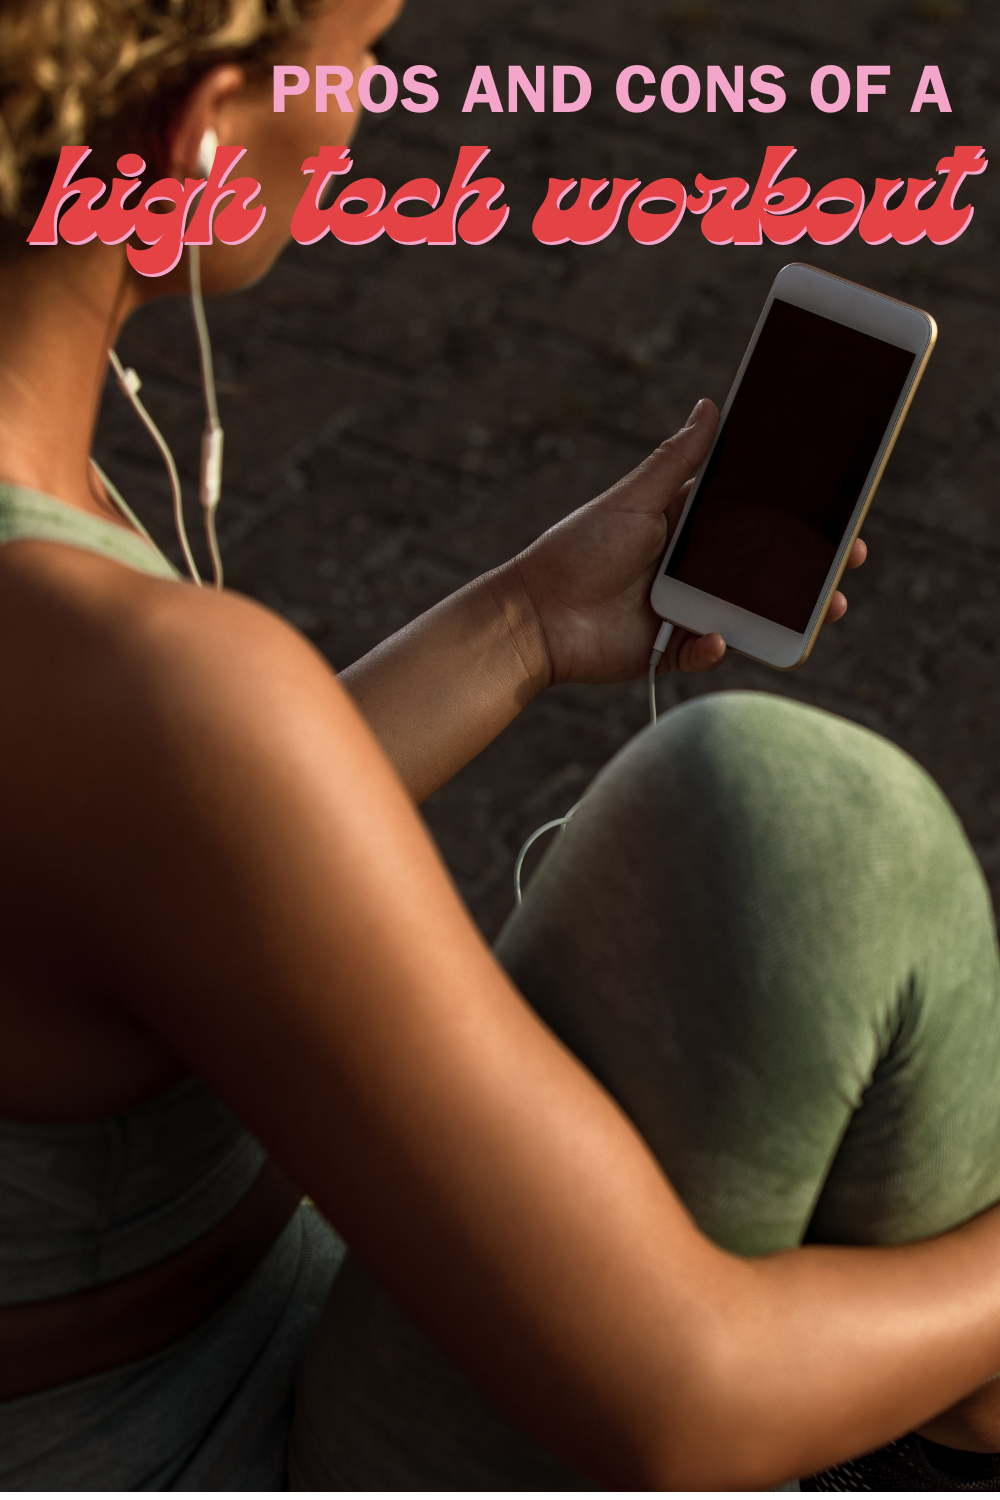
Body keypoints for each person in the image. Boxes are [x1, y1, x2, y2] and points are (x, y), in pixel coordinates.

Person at [2, 0, 1000, 1490]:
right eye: (356, 56)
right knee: (802, 835)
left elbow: (140, 862)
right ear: (201, 131)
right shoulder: (128, 682)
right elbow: (679, 1396)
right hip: (201, 1426)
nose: (365, 115)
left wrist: (524, 621)